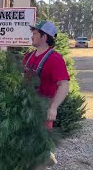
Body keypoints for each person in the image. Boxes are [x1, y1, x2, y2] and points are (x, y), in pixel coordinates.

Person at [22, 21, 70, 169]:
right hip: (26, 108)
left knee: (39, 149)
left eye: (35, 33)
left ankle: (44, 159)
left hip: (42, 110)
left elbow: (64, 85)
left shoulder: (55, 59)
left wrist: (53, 107)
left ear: (44, 36)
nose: (32, 36)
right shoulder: (28, 56)